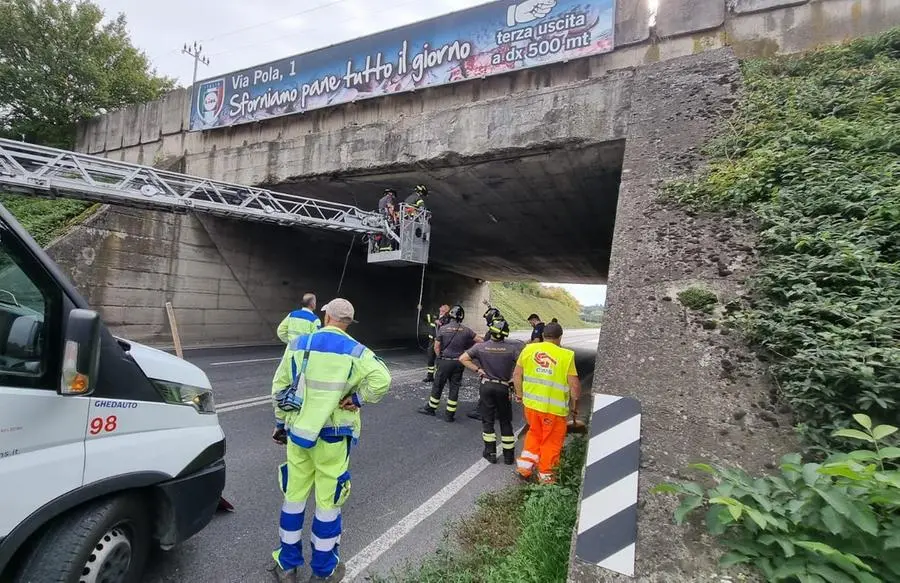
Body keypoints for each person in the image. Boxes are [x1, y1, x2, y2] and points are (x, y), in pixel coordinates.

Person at [268, 298, 392, 583]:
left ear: (325, 315)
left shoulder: (299, 345)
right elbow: (382, 380)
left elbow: (279, 387)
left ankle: (286, 565)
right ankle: (323, 571)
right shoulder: (356, 351)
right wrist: (358, 399)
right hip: (334, 439)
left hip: (299, 435)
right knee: (328, 502)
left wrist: (279, 423)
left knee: (293, 498)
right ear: (348, 322)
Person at [512, 321, 581, 485]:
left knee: (535, 434)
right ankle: (546, 478)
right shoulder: (566, 355)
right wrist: (574, 408)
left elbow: (516, 375)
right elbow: (575, 387)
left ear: (543, 335)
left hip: (531, 406)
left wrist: (520, 395)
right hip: (553, 410)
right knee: (550, 442)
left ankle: (525, 469)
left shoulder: (528, 349)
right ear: (560, 337)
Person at [460, 317, 523, 464]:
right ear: (505, 334)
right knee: (505, 421)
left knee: (487, 421)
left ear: (491, 331)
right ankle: (508, 456)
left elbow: (463, 358)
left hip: (486, 386)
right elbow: (523, 367)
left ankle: (490, 453)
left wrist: (478, 370)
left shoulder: (480, 347)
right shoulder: (512, 349)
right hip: (503, 388)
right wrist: (514, 379)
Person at [418, 304, 481, 422]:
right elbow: (480, 341)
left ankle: (431, 408)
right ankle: (450, 414)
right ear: (461, 317)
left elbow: (437, 347)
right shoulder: (466, 330)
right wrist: (468, 353)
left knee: (438, 385)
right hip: (458, 363)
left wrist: (439, 357)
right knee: (454, 387)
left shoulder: (443, 329)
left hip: (444, 361)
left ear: (450, 315)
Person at [466, 304, 505, 421]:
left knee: (485, 387)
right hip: (500, 362)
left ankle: (481, 411)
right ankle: (498, 411)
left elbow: (486, 345)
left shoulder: (493, 329)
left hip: (490, 363)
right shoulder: (502, 325)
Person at [423, 304, 451, 383]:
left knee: (441, 359)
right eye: (441, 309)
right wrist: (434, 320)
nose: (441, 310)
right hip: (432, 341)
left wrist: (441, 322)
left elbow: (448, 326)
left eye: (443, 310)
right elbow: (425, 317)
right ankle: (430, 376)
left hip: (441, 342)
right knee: (430, 358)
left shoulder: (448, 318)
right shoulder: (434, 315)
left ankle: (441, 377)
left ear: (446, 311)